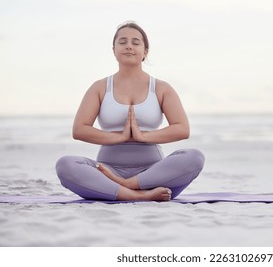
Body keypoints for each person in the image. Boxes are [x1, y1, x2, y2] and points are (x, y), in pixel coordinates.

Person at [56, 21, 205, 201]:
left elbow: (182, 129)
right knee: (65, 165)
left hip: (154, 175)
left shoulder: (161, 88)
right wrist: (120, 137)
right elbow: (79, 129)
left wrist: (142, 136)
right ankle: (140, 196)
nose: (129, 46)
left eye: (135, 43)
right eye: (122, 42)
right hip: (107, 171)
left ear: (145, 51)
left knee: (195, 157)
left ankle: (126, 187)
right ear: (114, 50)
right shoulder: (100, 87)